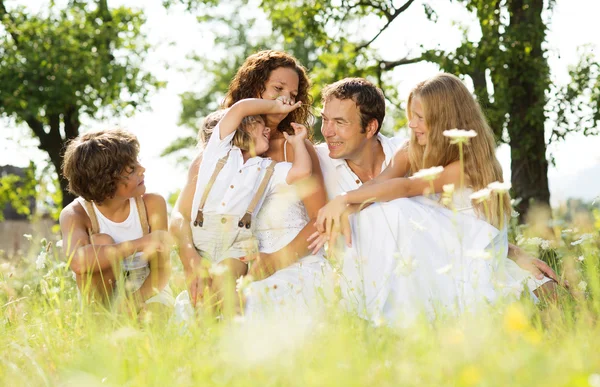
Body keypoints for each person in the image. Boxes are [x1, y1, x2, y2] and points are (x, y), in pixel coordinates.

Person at [311, 76, 557, 322]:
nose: (412, 123)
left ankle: (390, 315)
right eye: (412, 115)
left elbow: (407, 187)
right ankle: (372, 310)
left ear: (445, 120)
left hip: (471, 250)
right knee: (380, 211)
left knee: (394, 209)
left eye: (420, 117)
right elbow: (379, 184)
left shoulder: (467, 163)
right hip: (438, 248)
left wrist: (344, 199)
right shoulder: (410, 150)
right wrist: (341, 209)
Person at [170, 49, 331, 317]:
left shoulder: (294, 149)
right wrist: (192, 264)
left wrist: (275, 261)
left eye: (293, 96)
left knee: (250, 305)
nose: (285, 99)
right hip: (224, 265)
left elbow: (320, 219)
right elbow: (180, 217)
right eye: (278, 88)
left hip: (288, 264)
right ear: (255, 87)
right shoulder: (217, 153)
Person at [186, 97, 312, 315]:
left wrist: (298, 142)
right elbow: (240, 107)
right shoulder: (219, 151)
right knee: (204, 297)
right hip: (204, 239)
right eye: (260, 123)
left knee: (227, 286)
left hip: (238, 243)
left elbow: (301, 172)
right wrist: (275, 106)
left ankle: (229, 334)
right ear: (242, 125)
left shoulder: (267, 169)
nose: (267, 129)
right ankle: (205, 339)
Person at [59, 128, 174, 313]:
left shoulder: (151, 204)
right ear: (106, 180)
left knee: (155, 317)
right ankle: (100, 327)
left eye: (138, 163)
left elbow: (161, 270)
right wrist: (140, 244)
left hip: (146, 283)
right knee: (100, 242)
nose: (142, 169)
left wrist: (133, 302)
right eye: (131, 169)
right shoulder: (76, 213)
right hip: (101, 290)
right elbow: (78, 263)